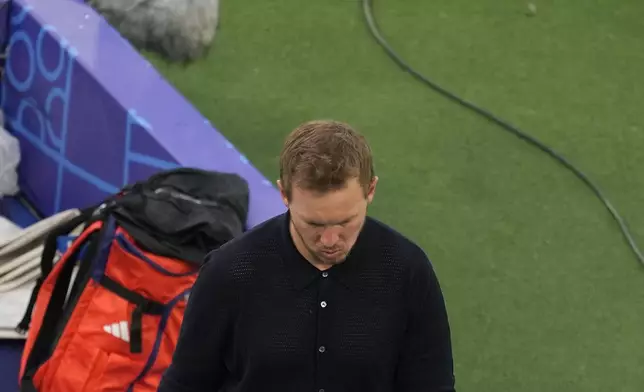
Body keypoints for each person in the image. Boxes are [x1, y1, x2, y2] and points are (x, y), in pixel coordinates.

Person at [158, 120, 456, 392]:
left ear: (371, 190)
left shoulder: (407, 272)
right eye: (314, 224)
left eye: (345, 221)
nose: (330, 240)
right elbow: (186, 384)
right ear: (284, 195)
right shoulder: (229, 272)